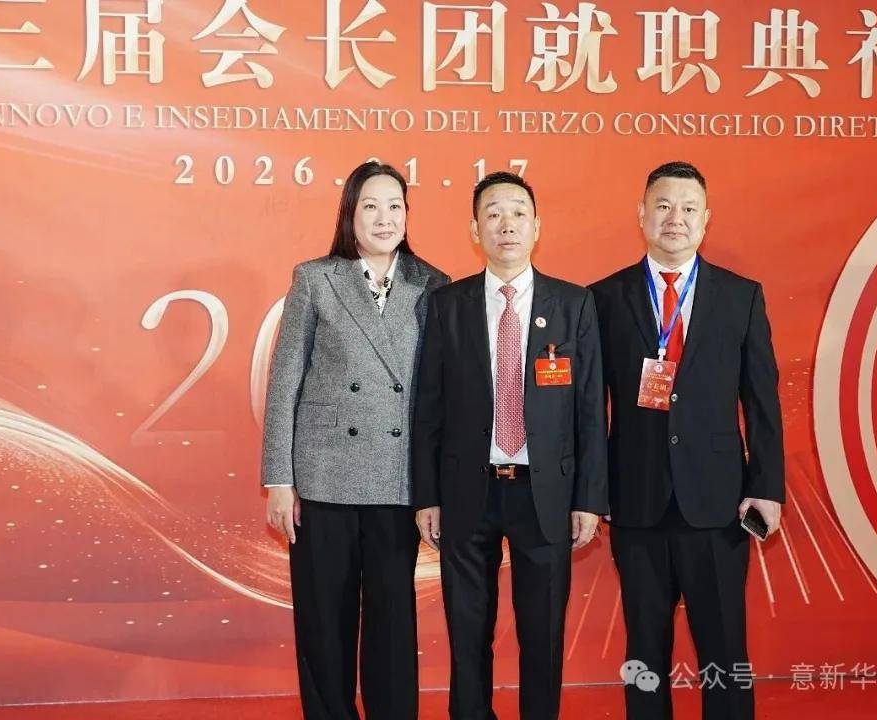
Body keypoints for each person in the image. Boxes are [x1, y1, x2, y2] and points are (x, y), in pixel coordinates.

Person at [589, 161, 785, 720]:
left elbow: (762, 401)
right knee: (644, 654)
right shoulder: (603, 298)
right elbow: (588, 408)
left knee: (725, 648)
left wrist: (767, 486)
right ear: (641, 215)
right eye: (663, 206)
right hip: (636, 502)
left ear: (705, 219)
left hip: (719, 505)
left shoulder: (740, 296)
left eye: (688, 208)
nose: (675, 218)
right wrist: (592, 492)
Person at [412, 171, 607, 720]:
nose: (507, 225)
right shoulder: (446, 304)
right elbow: (428, 408)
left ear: (537, 226)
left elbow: (590, 409)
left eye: (519, 213)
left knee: (543, 635)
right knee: (468, 632)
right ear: (475, 230)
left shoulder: (573, 304)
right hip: (465, 491)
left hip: (545, 493)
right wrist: (427, 495)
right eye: (493, 214)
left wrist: (589, 499)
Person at [261, 160, 450, 720]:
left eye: (395, 206)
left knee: (392, 623)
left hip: (397, 478)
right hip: (323, 477)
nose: (384, 218)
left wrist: (436, 486)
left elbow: (440, 396)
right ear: (350, 214)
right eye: (371, 206)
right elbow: (285, 382)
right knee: (324, 620)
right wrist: (279, 480)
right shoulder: (315, 278)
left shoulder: (433, 284)